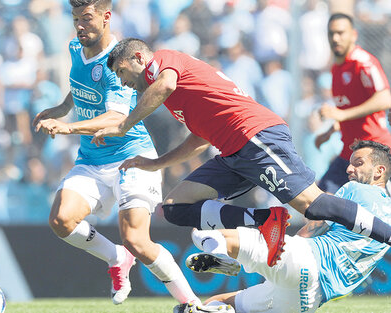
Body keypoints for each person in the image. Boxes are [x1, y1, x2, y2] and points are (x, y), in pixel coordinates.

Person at [91, 38, 391, 268]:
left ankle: (387, 233)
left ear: (139, 58)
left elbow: (165, 84)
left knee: (313, 205)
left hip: (256, 136)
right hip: (234, 153)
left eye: (122, 71)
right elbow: (199, 138)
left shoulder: (163, 63)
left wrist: (123, 125)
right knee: (175, 206)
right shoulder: (172, 93)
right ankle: (266, 219)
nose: (122, 81)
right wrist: (157, 163)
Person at [33, 0, 200, 306]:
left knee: (137, 240)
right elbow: (79, 86)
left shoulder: (117, 62)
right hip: (92, 159)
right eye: (75, 19)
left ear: (106, 16)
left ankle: (191, 303)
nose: (80, 26)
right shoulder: (75, 48)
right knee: (61, 220)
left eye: (86, 18)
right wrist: (61, 109)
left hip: (130, 157)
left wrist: (67, 127)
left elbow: (116, 119)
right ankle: (116, 257)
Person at [182, 140, 391, 313]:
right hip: (310, 300)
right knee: (222, 302)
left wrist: (284, 252)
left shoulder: (354, 189)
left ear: (379, 171)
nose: (349, 168)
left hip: (304, 260)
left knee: (204, 234)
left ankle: (223, 257)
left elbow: (313, 227)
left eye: (359, 163)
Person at [316, 13, 391, 193]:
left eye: (341, 33)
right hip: (349, 152)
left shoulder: (363, 63)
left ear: (353, 35)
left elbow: (385, 98)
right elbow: (348, 111)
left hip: (375, 150)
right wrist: (330, 130)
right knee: (320, 205)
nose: (335, 38)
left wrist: (342, 114)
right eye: (331, 33)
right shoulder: (336, 69)